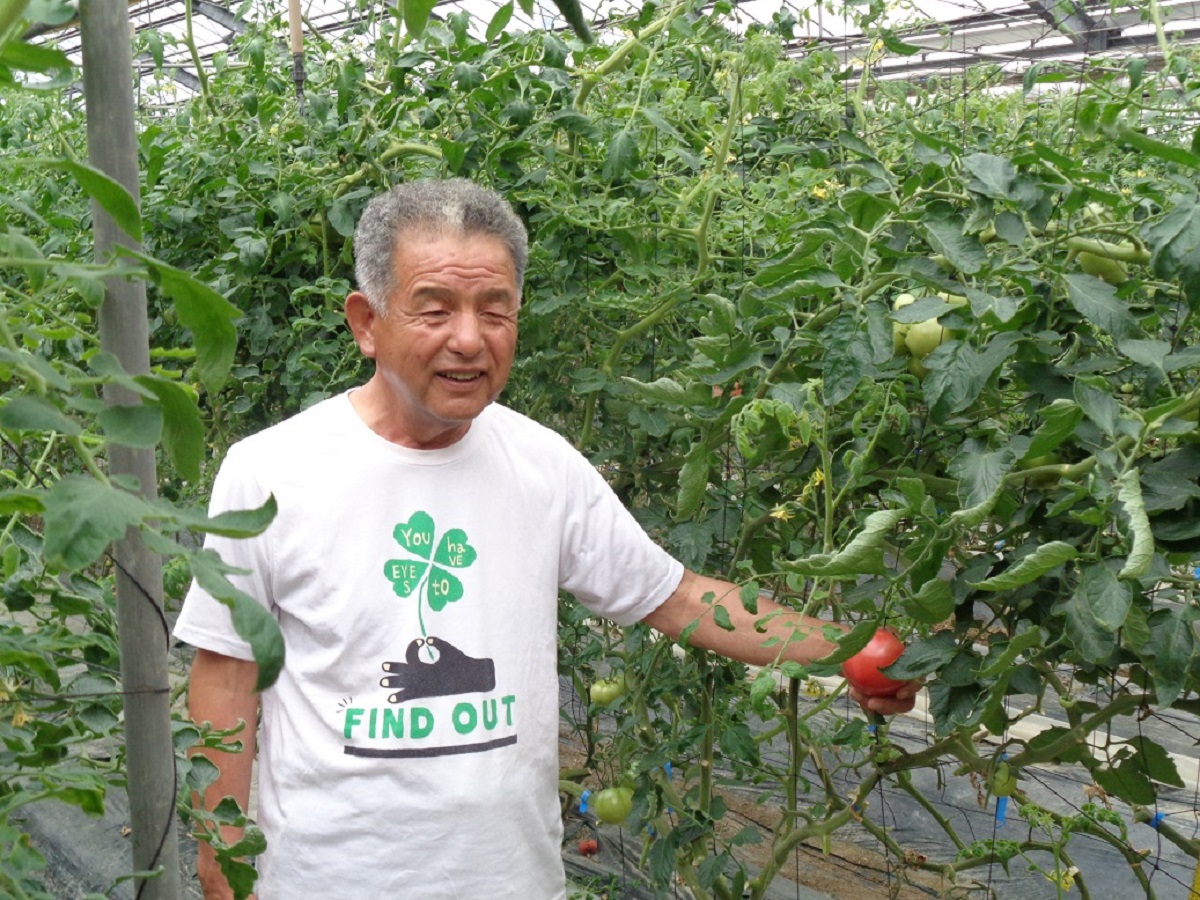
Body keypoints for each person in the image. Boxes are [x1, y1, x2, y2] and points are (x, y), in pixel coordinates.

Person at [174, 177, 918, 900]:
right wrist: (221, 853)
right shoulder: (270, 471)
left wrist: (847, 649)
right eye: (435, 309)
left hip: (509, 877)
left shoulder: (542, 466)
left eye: (495, 311)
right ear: (366, 323)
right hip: (329, 878)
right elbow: (226, 672)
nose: (469, 339)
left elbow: (680, 598)